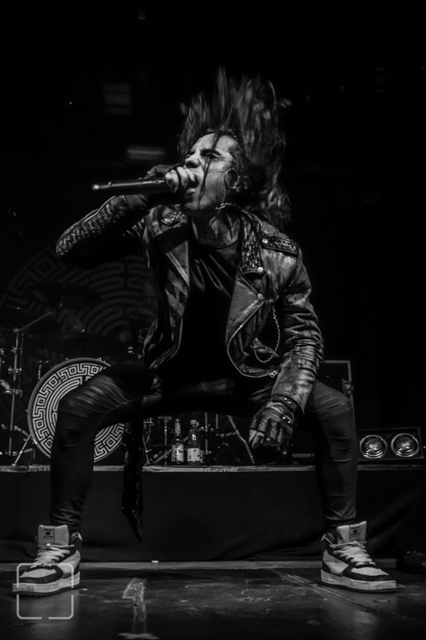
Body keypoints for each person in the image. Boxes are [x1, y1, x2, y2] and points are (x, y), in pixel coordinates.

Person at [13, 69, 396, 596]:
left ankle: (344, 548)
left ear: (235, 182)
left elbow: (304, 337)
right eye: (189, 155)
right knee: (78, 406)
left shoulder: (279, 252)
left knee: (333, 409)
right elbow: (70, 251)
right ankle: (59, 548)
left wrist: (283, 404)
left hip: (243, 377)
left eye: (207, 158)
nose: (190, 164)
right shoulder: (160, 221)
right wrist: (139, 197)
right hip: (166, 373)